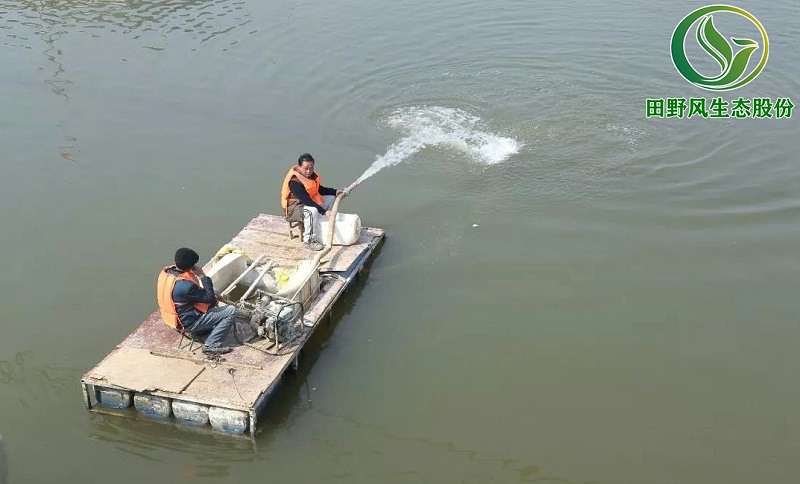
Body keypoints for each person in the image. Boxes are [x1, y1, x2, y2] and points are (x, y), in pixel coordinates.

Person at [156, 247, 235, 355]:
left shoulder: (167, 272)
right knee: (231, 311)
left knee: (209, 298)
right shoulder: (185, 286)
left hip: (170, 317)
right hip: (186, 323)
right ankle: (211, 345)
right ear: (191, 267)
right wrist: (202, 276)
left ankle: (201, 330)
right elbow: (210, 298)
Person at [280, 153, 344, 251]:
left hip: (307, 203)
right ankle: (309, 241)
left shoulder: (310, 175)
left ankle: (319, 224)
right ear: (299, 167)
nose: (309, 171)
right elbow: (307, 200)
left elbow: (318, 189)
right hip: (294, 208)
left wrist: (335, 191)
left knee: (330, 198)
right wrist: (323, 211)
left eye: (311, 168)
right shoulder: (294, 182)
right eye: (306, 168)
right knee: (312, 211)